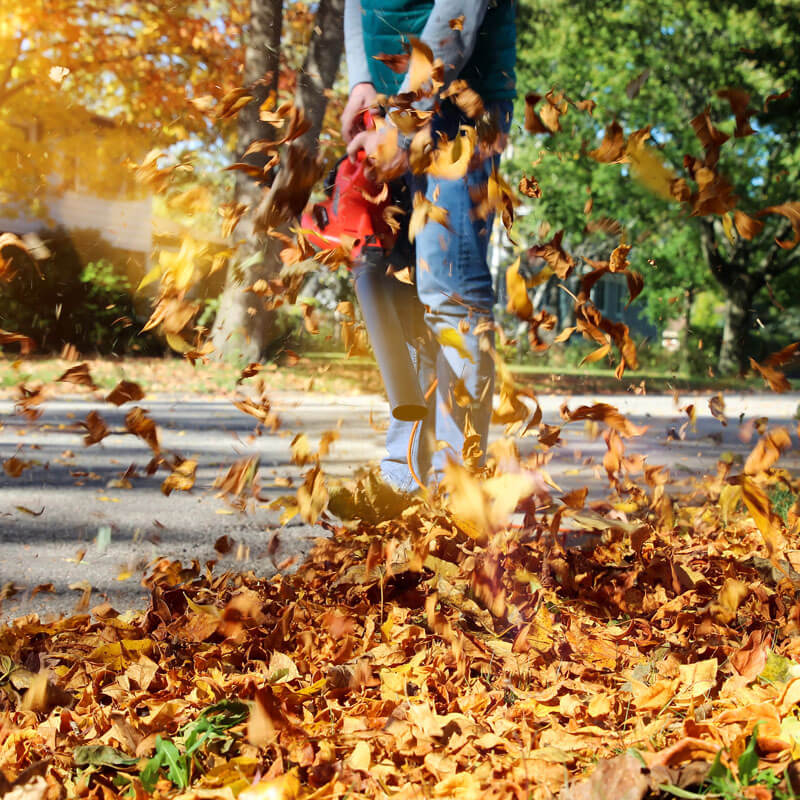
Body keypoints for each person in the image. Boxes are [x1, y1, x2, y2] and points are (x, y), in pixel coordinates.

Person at [338, 0, 517, 506]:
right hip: (394, 104)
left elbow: (460, 8)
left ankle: (457, 488)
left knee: (449, 293)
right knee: (399, 291)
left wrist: (406, 115)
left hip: (460, 108)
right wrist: (362, 82)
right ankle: (404, 481)